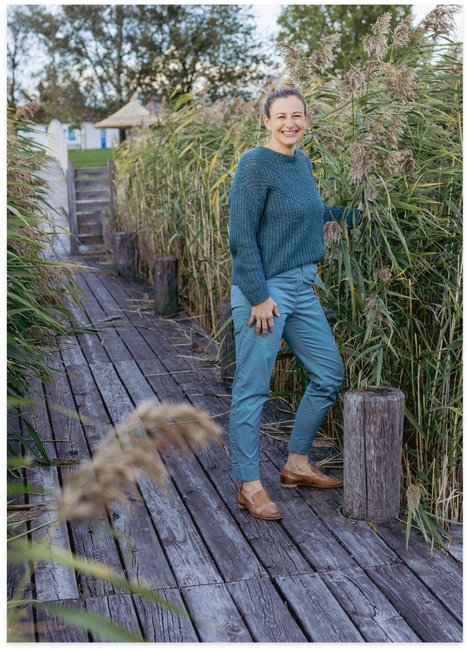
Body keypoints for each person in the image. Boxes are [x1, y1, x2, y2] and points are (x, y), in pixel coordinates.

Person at [228, 79, 362, 520]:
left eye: (297, 115)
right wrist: (259, 296)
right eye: (281, 116)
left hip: (302, 287)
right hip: (263, 291)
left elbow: (311, 212)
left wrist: (354, 215)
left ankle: (297, 464)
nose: (290, 123)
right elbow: (241, 236)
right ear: (266, 121)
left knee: (328, 373)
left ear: (306, 120)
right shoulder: (254, 165)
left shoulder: (301, 161)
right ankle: (249, 485)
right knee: (253, 388)